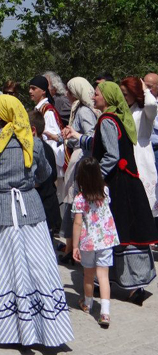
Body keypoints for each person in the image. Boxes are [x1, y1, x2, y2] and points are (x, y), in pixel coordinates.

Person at [0, 94, 74, 346]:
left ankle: (9, 327)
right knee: (36, 265)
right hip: (30, 209)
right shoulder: (33, 141)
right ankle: (45, 325)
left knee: (4, 266)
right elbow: (46, 173)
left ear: (1, 117)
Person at [64, 81, 158, 305]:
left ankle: (110, 284)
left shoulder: (107, 120)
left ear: (107, 97)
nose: (93, 97)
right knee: (125, 234)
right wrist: (77, 136)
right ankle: (132, 285)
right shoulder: (118, 118)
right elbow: (100, 145)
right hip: (128, 184)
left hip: (117, 185)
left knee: (110, 232)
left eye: (96, 94)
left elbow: (111, 155)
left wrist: (97, 179)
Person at [72, 157, 120, 329]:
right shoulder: (105, 191)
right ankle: (105, 313)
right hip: (106, 240)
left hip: (88, 242)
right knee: (103, 276)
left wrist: (75, 246)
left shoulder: (79, 199)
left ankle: (88, 303)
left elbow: (78, 223)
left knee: (88, 274)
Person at [58, 77, 98, 265]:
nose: (67, 94)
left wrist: (74, 137)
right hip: (79, 156)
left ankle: (78, 250)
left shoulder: (83, 111)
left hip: (82, 158)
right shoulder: (81, 109)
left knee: (77, 203)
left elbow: (90, 136)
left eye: (69, 90)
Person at [120, 77, 158, 217]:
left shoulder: (145, 111)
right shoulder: (125, 110)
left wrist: (145, 90)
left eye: (125, 94)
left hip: (142, 153)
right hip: (127, 153)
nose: (123, 97)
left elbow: (152, 104)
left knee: (145, 202)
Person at [29, 110, 61, 237]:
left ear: (32, 130)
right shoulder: (48, 148)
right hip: (48, 204)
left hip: (43, 205)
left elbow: (42, 178)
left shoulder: (37, 150)